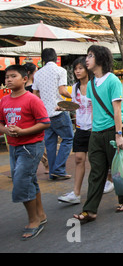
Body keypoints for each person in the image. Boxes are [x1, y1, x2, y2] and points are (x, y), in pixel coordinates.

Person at [73, 45, 123, 224]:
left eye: (90, 56)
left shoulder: (112, 80)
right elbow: (92, 109)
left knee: (117, 170)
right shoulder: (91, 84)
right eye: (87, 55)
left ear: (99, 59)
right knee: (96, 172)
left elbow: (117, 110)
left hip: (111, 132)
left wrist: (118, 133)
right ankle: (89, 210)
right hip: (95, 134)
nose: (86, 59)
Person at [0, 65, 50, 240]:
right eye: (7, 77)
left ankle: (33, 220)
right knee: (29, 179)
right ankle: (41, 214)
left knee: (21, 181)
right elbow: (0, 123)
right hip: (13, 147)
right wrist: (6, 131)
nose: (9, 80)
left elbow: (45, 122)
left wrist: (22, 131)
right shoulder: (4, 101)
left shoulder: (32, 100)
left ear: (24, 79)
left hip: (31, 146)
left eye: (13, 76)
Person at [32, 48, 73, 180]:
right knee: (68, 138)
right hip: (58, 111)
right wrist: (73, 97)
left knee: (50, 144)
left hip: (44, 114)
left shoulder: (37, 74)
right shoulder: (60, 70)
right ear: (56, 57)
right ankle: (59, 169)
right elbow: (62, 91)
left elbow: (35, 95)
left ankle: (52, 173)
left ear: (43, 59)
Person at [57, 57, 93, 204]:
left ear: (87, 69)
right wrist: (63, 106)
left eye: (80, 68)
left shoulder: (94, 85)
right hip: (81, 128)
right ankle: (76, 194)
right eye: (75, 69)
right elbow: (74, 105)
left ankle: (109, 180)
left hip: (95, 128)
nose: (77, 71)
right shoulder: (75, 87)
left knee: (98, 161)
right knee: (79, 158)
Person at [23, 62, 49, 174]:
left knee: (37, 143)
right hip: (28, 119)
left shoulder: (33, 88)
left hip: (34, 120)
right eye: (35, 71)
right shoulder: (30, 89)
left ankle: (47, 163)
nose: (37, 73)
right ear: (30, 73)